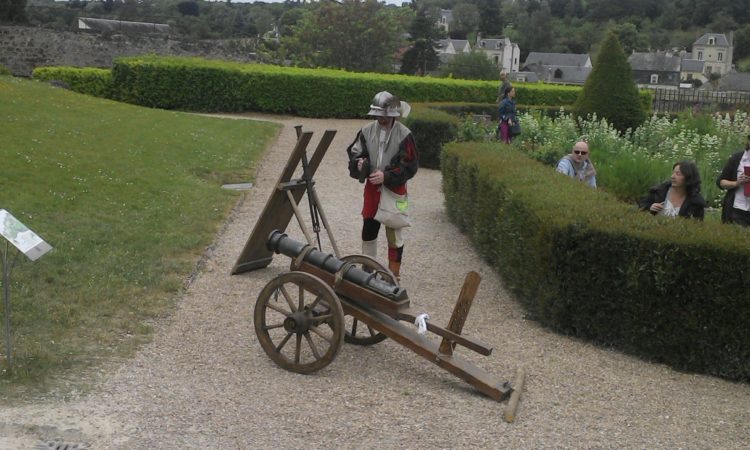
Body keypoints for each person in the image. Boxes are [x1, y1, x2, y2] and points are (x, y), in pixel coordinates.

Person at [347, 91, 419, 281]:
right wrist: (360, 163)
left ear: (393, 114)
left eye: (384, 114)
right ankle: (367, 272)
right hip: (372, 190)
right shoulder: (366, 131)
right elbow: (355, 153)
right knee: (368, 230)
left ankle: (392, 276)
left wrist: (386, 176)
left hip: (395, 192)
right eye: (378, 114)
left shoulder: (405, 135)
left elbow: (410, 166)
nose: (381, 117)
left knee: (395, 234)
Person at [638, 161, 706, 220]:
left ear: (688, 178)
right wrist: (650, 207)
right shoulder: (659, 191)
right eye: (673, 173)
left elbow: (697, 225)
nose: (672, 176)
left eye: (678, 174)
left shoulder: (696, 202)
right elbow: (641, 206)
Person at [717, 134, 750, 226]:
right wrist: (737, 182)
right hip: (738, 209)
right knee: (737, 238)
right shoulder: (737, 158)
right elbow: (721, 182)